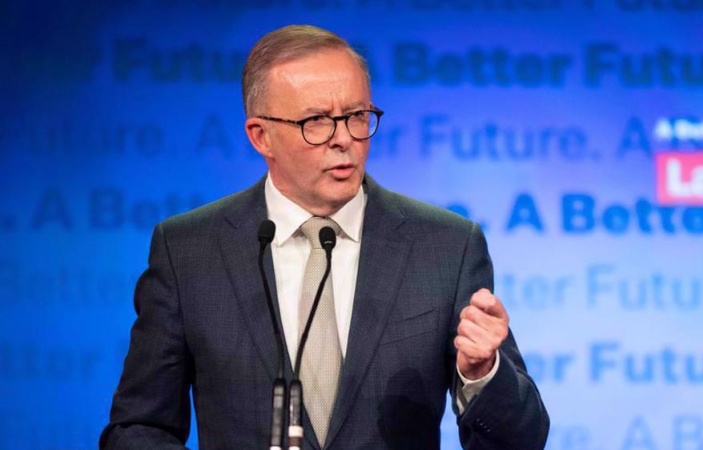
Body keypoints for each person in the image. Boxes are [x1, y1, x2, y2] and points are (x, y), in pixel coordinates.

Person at [100, 24, 549, 450]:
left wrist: (482, 374)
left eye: (356, 116)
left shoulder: (446, 248)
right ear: (261, 136)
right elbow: (137, 427)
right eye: (316, 121)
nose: (344, 139)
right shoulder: (189, 252)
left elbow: (522, 441)